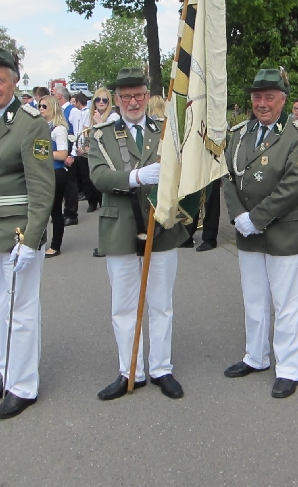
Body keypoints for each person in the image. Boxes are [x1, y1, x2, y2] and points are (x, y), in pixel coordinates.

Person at [0, 47, 54, 420]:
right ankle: (7, 374)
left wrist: (32, 240)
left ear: (14, 82)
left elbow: (42, 188)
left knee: (21, 312)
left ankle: (23, 386)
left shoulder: (30, 123)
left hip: (18, 234)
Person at [88, 68, 188, 401]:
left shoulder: (165, 132)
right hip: (119, 227)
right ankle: (130, 371)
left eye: (139, 96)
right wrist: (137, 177)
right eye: (126, 97)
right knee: (124, 306)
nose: (133, 102)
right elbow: (99, 176)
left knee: (161, 304)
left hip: (160, 226)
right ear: (116, 100)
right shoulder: (101, 135)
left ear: (147, 97)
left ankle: (161, 368)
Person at [223, 68, 298, 399]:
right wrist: (238, 216)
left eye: (269, 97)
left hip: (284, 229)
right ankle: (256, 356)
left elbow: (294, 184)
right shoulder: (239, 133)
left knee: (286, 302)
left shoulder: (297, 134)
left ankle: (288, 368)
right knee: (254, 298)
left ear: (282, 100)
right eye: (257, 97)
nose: (262, 103)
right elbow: (227, 176)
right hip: (248, 229)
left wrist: (257, 218)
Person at [38, 94, 69, 258]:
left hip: (56, 172)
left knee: (55, 210)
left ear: (53, 108)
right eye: (39, 106)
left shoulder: (59, 129)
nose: (41, 109)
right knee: (42, 209)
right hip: (45, 172)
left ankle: (56, 245)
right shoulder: (44, 127)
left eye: (44, 106)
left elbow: (63, 154)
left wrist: (40, 153)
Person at [51, 84, 80, 227]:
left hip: (69, 154)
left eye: (53, 94)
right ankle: (63, 212)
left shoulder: (73, 111)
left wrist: (72, 155)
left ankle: (71, 214)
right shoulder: (59, 111)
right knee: (63, 187)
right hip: (62, 153)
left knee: (70, 186)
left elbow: (78, 134)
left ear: (59, 96)